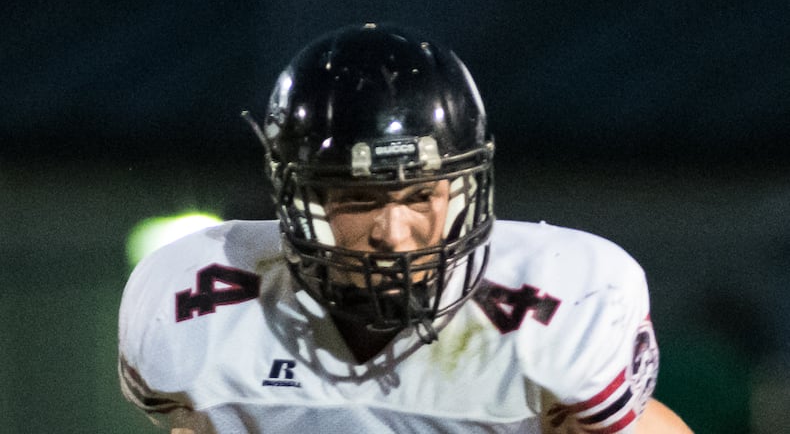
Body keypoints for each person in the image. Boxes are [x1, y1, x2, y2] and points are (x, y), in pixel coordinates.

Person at [118, 23, 692, 433]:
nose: (394, 233)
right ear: (298, 197)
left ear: (464, 189)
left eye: (420, 195)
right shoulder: (203, 305)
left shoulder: (557, 309)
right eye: (361, 199)